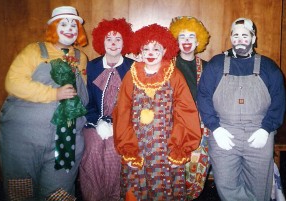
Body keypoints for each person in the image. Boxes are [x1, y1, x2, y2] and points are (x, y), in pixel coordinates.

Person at [0, 6, 88, 200]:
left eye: (74, 25)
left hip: (66, 138)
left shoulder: (82, 59)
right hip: (24, 138)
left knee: (59, 192)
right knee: (21, 189)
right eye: (63, 24)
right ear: (53, 27)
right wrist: (53, 93)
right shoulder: (34, 51)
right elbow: (13, 82)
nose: (70, 28)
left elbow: (83, 97)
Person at [197, 17, 286, 201]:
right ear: (231, 38)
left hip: (259, 134)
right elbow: (203, 96)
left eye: (245, 35)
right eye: (235, 35)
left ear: (253, 39)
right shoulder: (217, 64)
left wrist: (266, 129)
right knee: (226, 186)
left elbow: (279, 101)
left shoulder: (268, 66)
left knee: (259, 188)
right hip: (224, 134)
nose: (240, 40)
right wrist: (216, 128)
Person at [113, 23, 202, 200]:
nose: (151, 53)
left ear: (165, 50)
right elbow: (122, 111)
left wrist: (179, 146)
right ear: (140, 52)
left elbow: (185, 111)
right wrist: (128, 146)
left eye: (156, 48)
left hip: (165, 144)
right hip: (138, 143)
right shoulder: (131, 75)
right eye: (146, 49)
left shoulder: (174, 74)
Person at [79, 18, 134, 201]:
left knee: (112, 149)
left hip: (122, 123)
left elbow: (133, 102)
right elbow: (85, 100)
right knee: (93, 148)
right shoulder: (92, 66)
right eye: (108, 38)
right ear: (101, 41)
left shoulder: (132, 67)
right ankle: (93, 197)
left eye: (118, 39)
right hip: (93, 121)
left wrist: (115, 122)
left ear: (124, 41)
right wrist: (98, 121)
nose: (113, 43)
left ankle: (113, 196)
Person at [169, 16, 210, 199]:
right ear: (176, 40)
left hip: (199, 125)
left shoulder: (208, 67)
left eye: (191, 36)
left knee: (195, 172)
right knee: (172, 169)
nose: (186, 41)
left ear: (198, 40)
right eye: (182, 36)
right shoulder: (166, 66)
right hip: (173, 124)